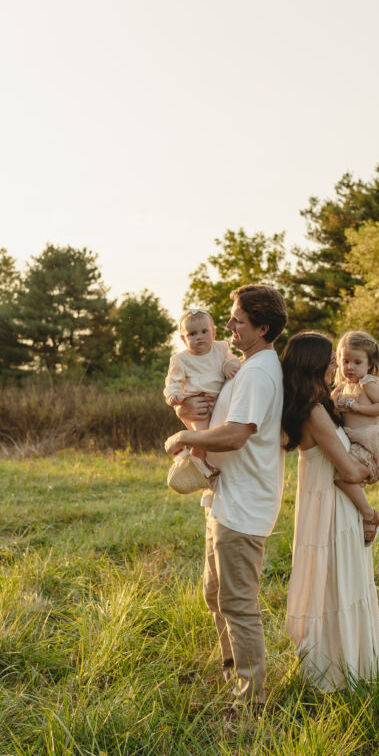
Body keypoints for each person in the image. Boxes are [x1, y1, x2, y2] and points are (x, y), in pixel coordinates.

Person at [165, 284, 287, 714]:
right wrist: (188, 414)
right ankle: (233, 676)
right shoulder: (246, 367)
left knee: (237, 602)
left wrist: (184, 436)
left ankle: (250, 703)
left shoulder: (256, 372)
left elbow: (237, 435)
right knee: (215, 596)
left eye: (237, 319)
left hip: (244, 505)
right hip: (224, 498)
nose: (229, 325)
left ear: (262, 327)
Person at [281, 332, 379, 693]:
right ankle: (334, 675)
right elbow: (350, 471)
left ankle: (351, 669)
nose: (334, 366)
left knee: (341, 583)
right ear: (312, 365)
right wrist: (369, 469)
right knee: (334, 584)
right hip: (328, 506)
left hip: (334, 502)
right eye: (328, 361)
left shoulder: (321, 404)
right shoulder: (312, 412)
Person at [163, 308, 241, 486]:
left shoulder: (220, 349)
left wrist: (228, 364)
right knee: (201, 437)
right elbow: (173, 381)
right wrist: (173, 395)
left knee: (213, 437)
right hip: (198, 403)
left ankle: (197, 463)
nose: (199, 337)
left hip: (218, 402)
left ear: (213, 332)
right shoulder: (181, 359)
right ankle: (200, 464)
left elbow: (234, 360)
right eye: (192, 334)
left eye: (204, 331)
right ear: (183, 339)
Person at [332, 330, 379, 493]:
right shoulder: (343, 388)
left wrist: (358, 407)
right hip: (352, 440)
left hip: (367, 440)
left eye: (357, 362)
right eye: (345, 361)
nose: (350, 367)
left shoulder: (368, 385)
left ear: (369, 364)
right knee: (342, 474)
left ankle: (367, 511)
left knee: (342, 476)